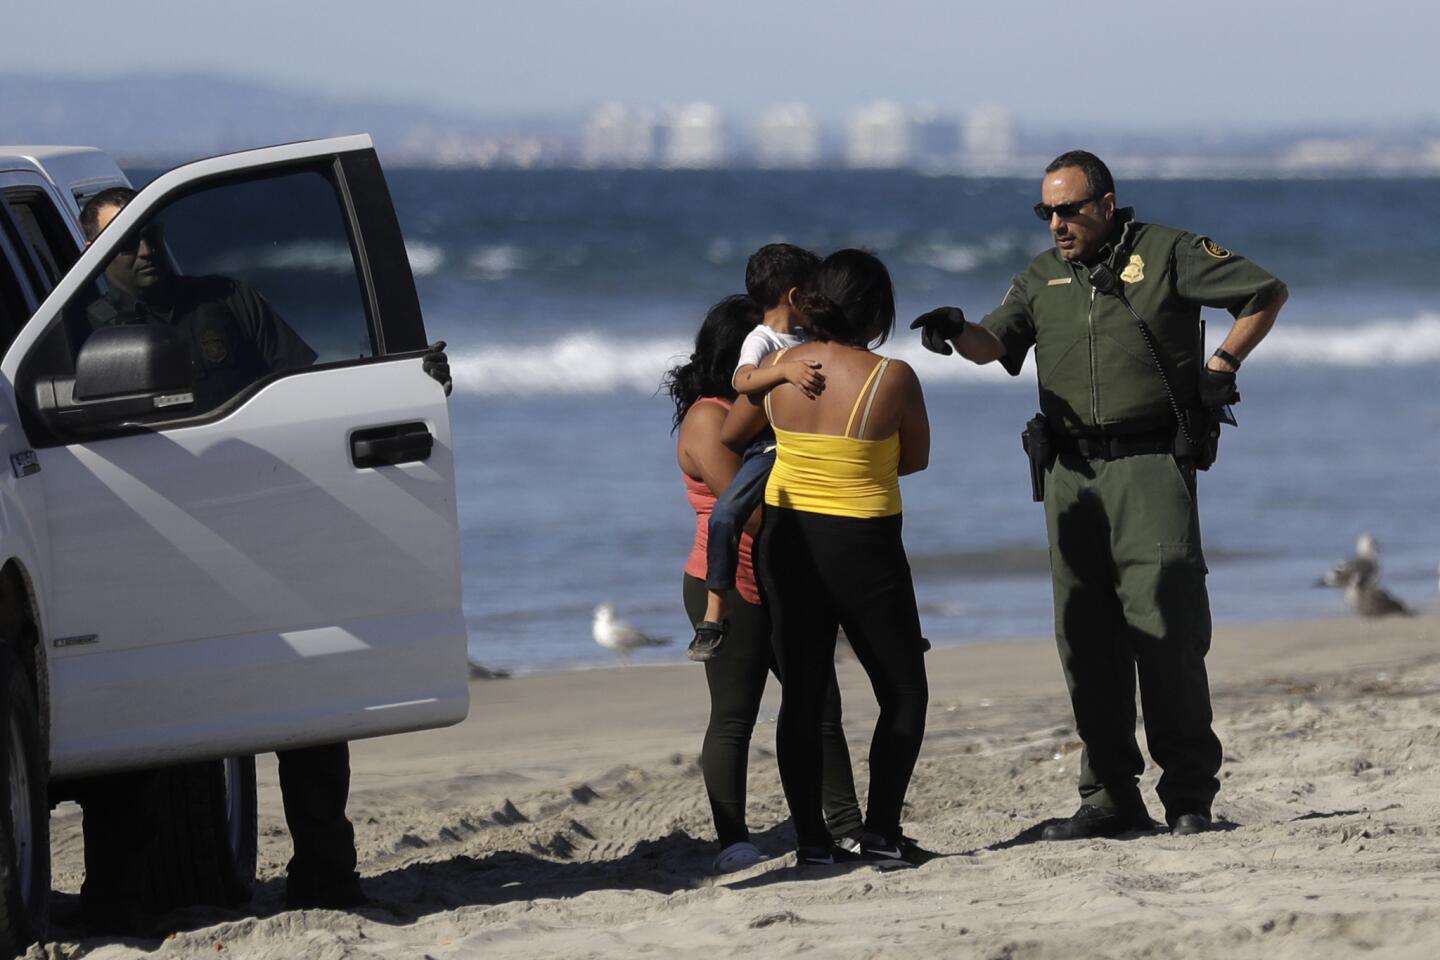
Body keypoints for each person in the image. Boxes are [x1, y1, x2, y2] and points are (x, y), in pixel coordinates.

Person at [73, 188, 454, 924]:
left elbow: (305, 392)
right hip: (138, 544)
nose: (143, 251)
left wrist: (406, 386)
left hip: (256, 535)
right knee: (138, 717)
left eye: (148, 235)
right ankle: (117, 894)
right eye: (121, 243)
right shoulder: (84, 331)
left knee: (306, 703)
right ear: (92, 254)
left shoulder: (227, 302)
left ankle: (326, 873)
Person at [910, 150, 1287, 839]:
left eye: (1069, 210)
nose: (1056, 223)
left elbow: (1265, 292)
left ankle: (1189, 797)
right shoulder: (1043, 276)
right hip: (1070, 476)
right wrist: (954, 329)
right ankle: (1111, 796)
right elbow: (995, 344)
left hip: (1149, 466)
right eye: (1046, 211)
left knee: (1167, 629)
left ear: (1107, 205)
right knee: (1084, 638)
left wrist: (1223, 361)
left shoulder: (1168, 252)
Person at [730, 249, 932, 865]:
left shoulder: (783, 364)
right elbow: (916, 458)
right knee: (902, 690)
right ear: (876, 311)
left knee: (804, 695)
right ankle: (879, 831)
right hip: (863, 546)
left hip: (787, 539)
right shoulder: (891, 375)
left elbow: (731, 435)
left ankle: (813, 842)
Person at [666, 294, 865, 873]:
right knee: (735, 714)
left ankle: (847, 825)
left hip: (784, 575)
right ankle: (732, 838)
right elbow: (749, 511)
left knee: (821, 706)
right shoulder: (709, 418)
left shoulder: (765, 411)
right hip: (724, 584)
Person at [687, 243, 826, 662]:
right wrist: (782, 370)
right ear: (795, 297)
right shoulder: (762, 338)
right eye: (814, 294)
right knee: (727, 512)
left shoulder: (808, 336)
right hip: (767, 447)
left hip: (803, 444)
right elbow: (744, 379)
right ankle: (716, 604)